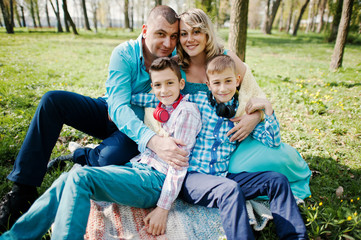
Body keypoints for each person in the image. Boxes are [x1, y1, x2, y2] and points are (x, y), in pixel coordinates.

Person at [0, 5, 190, 232]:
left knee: (106, 161)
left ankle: (80, 157)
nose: (168, 44)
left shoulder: (176, 63)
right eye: (161, 34)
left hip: (137, 129)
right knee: (53, 101)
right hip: (111, 112)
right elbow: (118, 106)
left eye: (173, 36)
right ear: (145, 30)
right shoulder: (124, 53)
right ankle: (22, 190)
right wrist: (153, 141)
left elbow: (215, 55)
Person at [134, 55, 308, 239]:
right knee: (229, 189)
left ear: (237, 81)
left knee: (277, 180)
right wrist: (125, 101)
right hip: (193, 178)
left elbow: (273, 142)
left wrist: (268, 110)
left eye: (228, 81)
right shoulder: (196, 101)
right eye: (217, 83)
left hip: (222, 176)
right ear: (208, 84)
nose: (223, 88)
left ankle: (295, 237)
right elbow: (162, 99)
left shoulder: (243, 112)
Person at [176, 8, 311, 200]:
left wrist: (254, 117)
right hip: (201, 148)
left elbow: (257, 94)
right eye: (183, 34)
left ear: (207, 33)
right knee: (236, 171)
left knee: (280, 157)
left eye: (196, 31)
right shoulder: (176, 66)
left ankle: (289, 176)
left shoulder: (226, 58)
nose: (190, 39)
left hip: (236, 138)